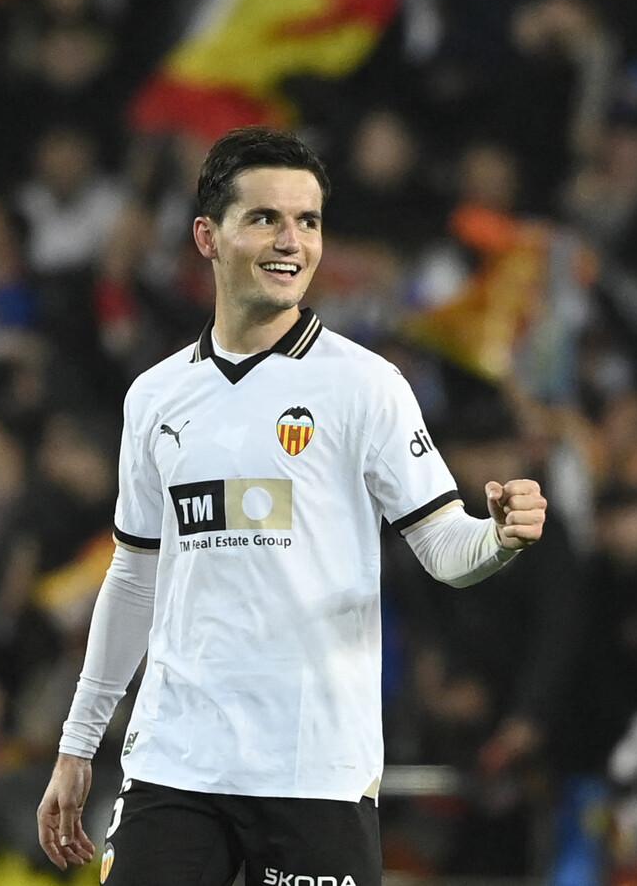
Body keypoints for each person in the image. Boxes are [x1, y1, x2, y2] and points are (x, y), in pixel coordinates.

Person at [35, 127, 550, 884]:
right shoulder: (155, 397)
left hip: (313, 767)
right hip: (177, 759)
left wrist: (498, 537)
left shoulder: (365, 386)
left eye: (307, 221)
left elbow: (446, 548)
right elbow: (135, 577)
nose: (292, 241)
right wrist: (78, 743)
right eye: (265, 218)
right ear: (207, 237)